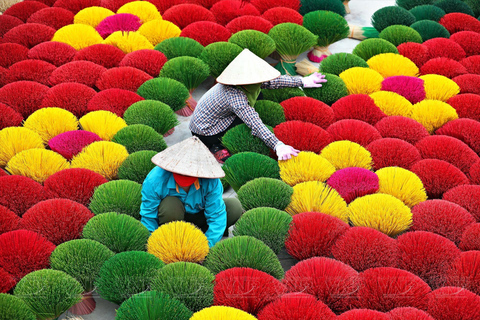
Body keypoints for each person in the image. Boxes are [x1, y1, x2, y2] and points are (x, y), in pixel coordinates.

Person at [189, 48, 327, 163]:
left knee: (259, 95)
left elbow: (273, 82)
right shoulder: (234, 96)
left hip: (219, 116)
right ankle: (214, 146)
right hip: (207, 130)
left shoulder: (248, 81)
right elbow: (255, 123)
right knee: (247, 125)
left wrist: (302, 81)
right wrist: (277, 145)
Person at [140, 136, 243, 247]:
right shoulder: (155, 179)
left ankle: (200, 235)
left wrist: (206, 246)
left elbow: (216, 216)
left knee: (234, 207)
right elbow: (148, 215)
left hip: (200, 218)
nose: (185, 176)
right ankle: (174, 238)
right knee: (170, 204)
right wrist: (154, 243)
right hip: (172, 219)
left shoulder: (211, 181)